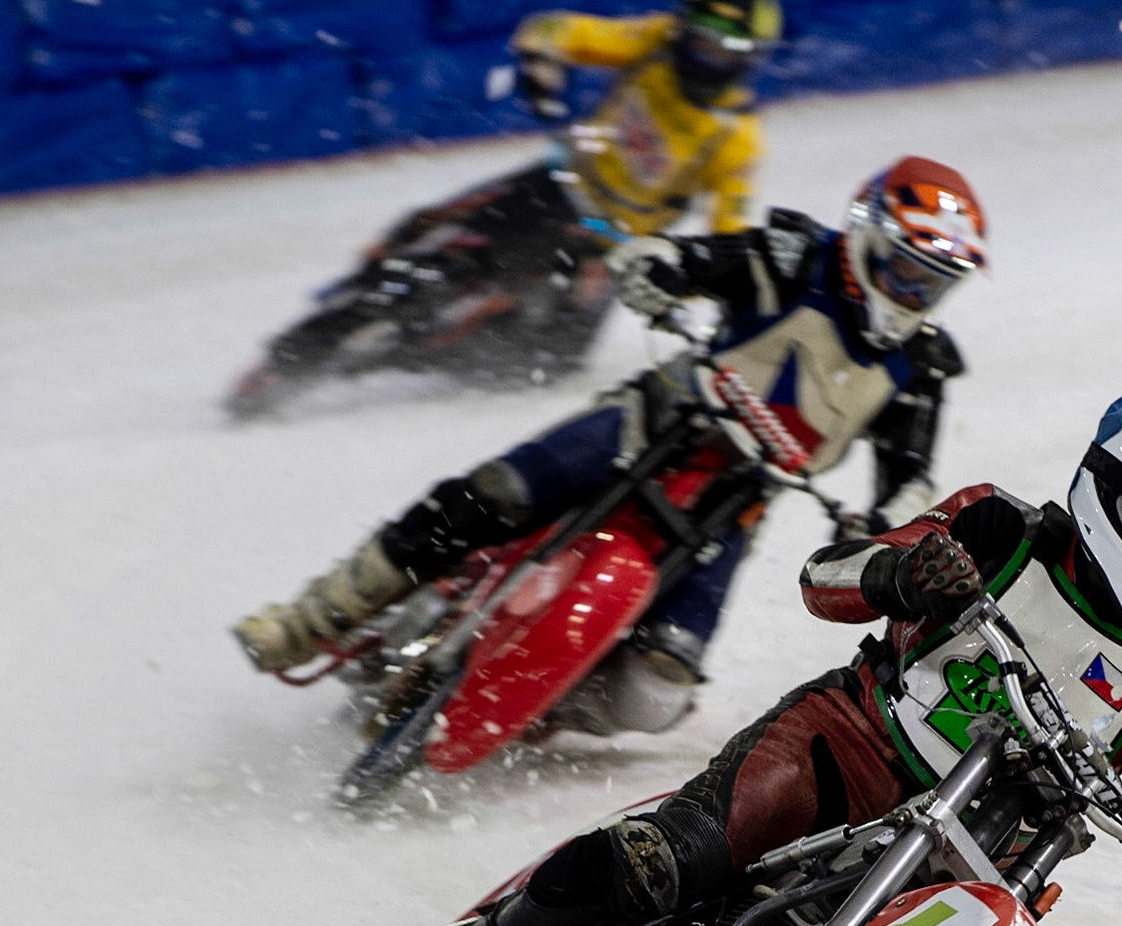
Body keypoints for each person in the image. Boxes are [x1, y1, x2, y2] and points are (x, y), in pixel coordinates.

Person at [337, 382, 1122, 926]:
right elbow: (827, 573)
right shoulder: (1000, 529)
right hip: (844, 752)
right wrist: (901, 572)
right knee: (663, 857)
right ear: (1109, 484)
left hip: (969, 876)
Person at [234, 156, 987, 739]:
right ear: (864, 235)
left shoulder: (921, 366)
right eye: (905, 271)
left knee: (660, 685)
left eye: (935, 284)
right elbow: (688, 260)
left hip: (737, 502)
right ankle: (304, 624)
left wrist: (882, 525)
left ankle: (548, 707)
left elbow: (909, 476)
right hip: (658, 420)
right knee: (488, 494)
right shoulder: (792, 255)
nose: (914, 296)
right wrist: (656, 271)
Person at [232, 0, 782, 400]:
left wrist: (705, 294)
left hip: (608, 244)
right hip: (553, 187)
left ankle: (387, 354)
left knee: (542, 364)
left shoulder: (735, 137)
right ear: (683, 28)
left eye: (720, 49)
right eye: (697, 38)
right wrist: (542, 63)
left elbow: (727, 236)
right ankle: (307, 344)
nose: (701, 55)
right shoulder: (658, 43)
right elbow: (556, 28)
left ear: (747, 59)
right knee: (422, 242)